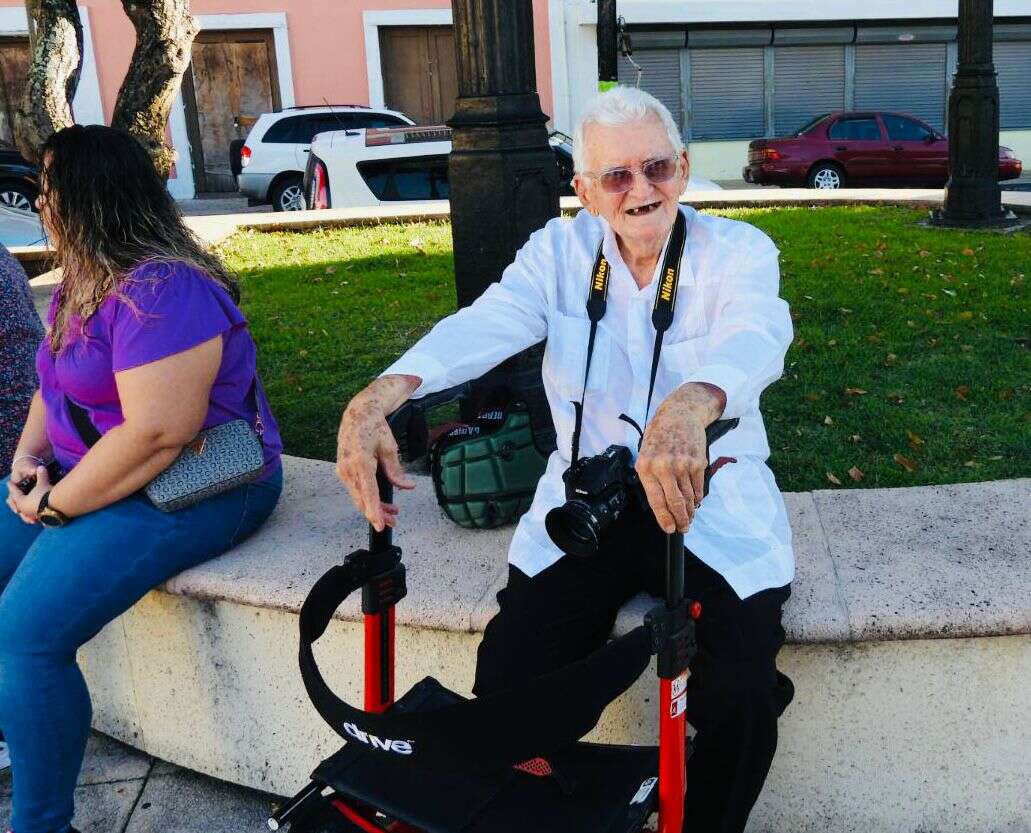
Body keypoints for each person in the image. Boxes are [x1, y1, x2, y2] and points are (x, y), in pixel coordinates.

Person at [336, 86, 794, 833]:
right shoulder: (558, 251)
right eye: (616, 177)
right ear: (580, 189)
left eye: (656, 168)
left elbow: (756, 333)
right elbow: (483, 324)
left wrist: (692, 402)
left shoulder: (736, 250)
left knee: (739, 691)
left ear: (681, 167)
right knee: (508, 682)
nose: (640, 191)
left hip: (703, 496)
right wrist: (380, 395)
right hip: (593, 502)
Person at [0, 125, 284, 833]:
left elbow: (161, 432)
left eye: (49, 186)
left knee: (25, 633)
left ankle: (40, 824)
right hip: (92, 476)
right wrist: (25, 463)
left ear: (87, 197)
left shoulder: (165, 287)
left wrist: (57, 506)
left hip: (200, 481)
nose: (40, 201)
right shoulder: (85, 280)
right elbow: (50, 381)